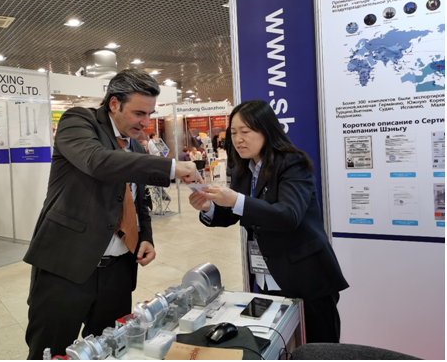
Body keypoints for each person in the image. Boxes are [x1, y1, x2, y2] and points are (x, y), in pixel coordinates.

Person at [23, 69, 200, 359]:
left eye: (150, 114)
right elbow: (98, 161)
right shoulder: (78, 121)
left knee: (111, 350)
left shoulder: (135, 145)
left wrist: (145, 236)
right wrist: (170, 168)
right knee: (52, 350)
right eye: (139, 113)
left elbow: (138, 200)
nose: (145, 123)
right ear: (114, 103)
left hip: (118, 272)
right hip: (66, 266)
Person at [189, 99, 348, 344]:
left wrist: (236, 200)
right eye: (233, 133)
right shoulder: (243, 168)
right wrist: (209, 207)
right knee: (278, 344)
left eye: (245, 131)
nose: (238, 139)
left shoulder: (292, 163)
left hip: (306, 276)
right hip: (267, 274)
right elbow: (235, 213)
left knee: (318, 347)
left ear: (266, 130)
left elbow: (288, 216)